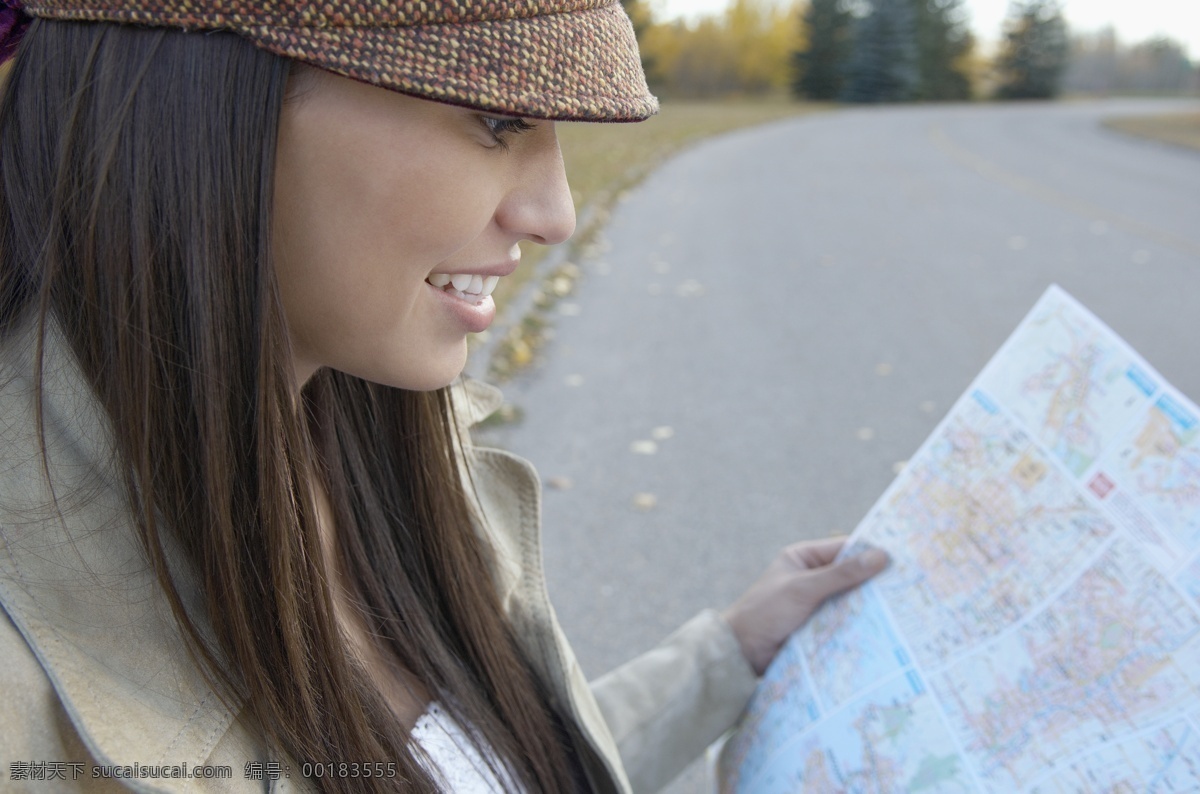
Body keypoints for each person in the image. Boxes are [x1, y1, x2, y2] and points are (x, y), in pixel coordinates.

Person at [0, 1, 888, 791]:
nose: (555, 212)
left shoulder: (380, 440)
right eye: (502, 120)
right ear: (200, 105)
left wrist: (725, 659)